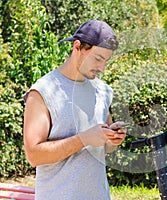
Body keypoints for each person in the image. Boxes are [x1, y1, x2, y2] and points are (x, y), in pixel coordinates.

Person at [23, 19, 126, 199]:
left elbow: (104, 147)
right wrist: (83, 138)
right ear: (77, 47)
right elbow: (34, 155)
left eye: (106, 61)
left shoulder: (102, 91)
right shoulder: (43, 92)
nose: (101, 68)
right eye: (97, 59)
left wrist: (113, 139)